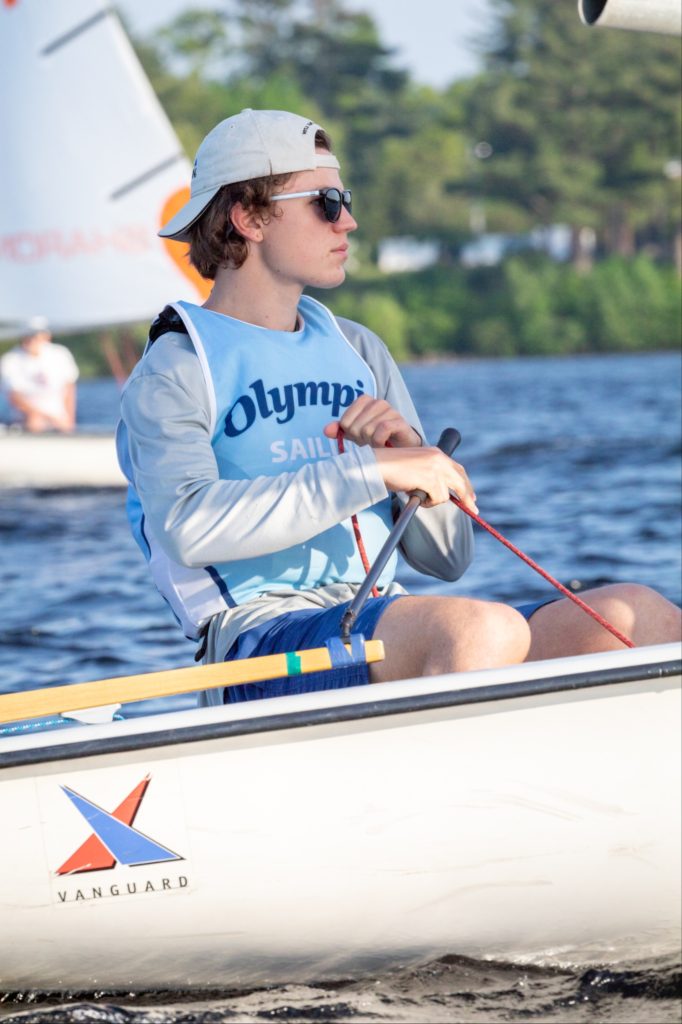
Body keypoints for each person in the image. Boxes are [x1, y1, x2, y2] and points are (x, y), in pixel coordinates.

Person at [116, 108, 681, 704]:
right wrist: (370, 472)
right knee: (480, 630)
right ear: (250, 218)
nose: (350, 221)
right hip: (255, 644)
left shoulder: (359, 348)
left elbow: (446, 558)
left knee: (642, 617)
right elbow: (188, 528)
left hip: (381, 623)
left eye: (346, 198)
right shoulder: (175, 368)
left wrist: (410, 456)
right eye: (327, 201)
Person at [0, 318, 79, 433]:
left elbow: (69, 389)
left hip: (60, 419)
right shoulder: (10, 360)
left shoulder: (61, 354)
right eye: (28, 335)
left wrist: (70, 422)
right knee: (35, 421)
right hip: (26, 422)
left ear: (47, 336)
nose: (31, 339)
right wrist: (39, 416)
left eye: (36, 335)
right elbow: (14, 397)